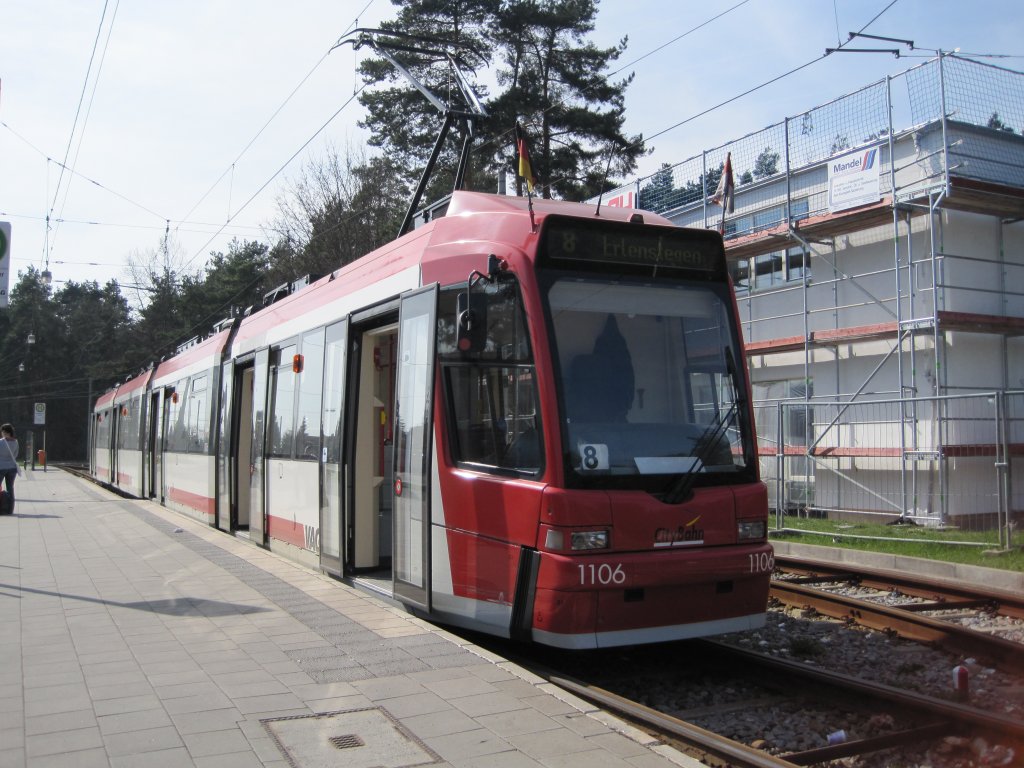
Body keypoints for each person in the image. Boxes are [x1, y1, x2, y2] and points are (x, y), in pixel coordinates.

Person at [0, 423, 19, 514]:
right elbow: (15, 455)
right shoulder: (15, 442)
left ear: (5, 432)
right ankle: (10, 509)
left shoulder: (1, 442)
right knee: (10, 488)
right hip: (12, 467)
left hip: (1, 467)